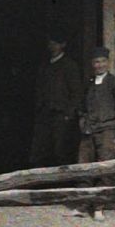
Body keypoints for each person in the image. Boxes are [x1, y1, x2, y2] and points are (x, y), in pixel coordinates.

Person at [30, 32, 83, 167]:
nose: (52, 46)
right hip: (44, 114)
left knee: (61, 150)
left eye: (56, 43)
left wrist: (69, 113)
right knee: (41, 149)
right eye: (51, 43)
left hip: (61, 115)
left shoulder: (70, 66)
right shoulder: (44, 66)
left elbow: (76, 92)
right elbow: (39, 90)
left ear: (63, 45)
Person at [78, 45, 115, 165]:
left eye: (103, 61)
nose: (100, 65)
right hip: (89, 131)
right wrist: (83, 121)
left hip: (107, 132)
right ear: (92, 64)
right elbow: (81, 107)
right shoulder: (88, 84)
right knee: (84, 166)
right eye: (97, 62)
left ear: (108, 62)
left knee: (106, 166)